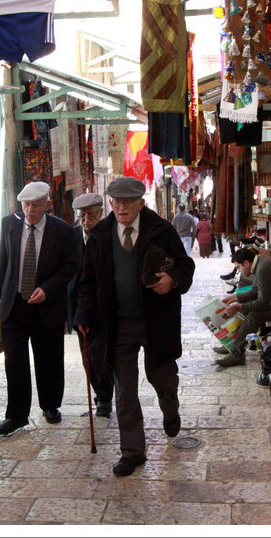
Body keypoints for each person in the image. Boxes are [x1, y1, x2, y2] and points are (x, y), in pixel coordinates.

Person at [75, 176, 195, 477]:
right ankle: (132, 451)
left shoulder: (161, 231)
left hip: (156, 322)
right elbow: (87, 282)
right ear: (110, 204)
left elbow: (185, 265)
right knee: (124, 390)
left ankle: (170, 408)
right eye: (117, 201)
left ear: (142, 203)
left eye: (129, 201)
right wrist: (83, 315)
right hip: (117, 324)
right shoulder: (100, 235)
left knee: (162, 376)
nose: (122, 207)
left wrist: (173, 280)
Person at [0, 181, 78, 436]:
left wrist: (47, 289)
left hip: (45, 306)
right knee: (14, 361)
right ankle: (16, 415)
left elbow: (69, 267)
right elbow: (1, 260)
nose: (30, 210)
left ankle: (50, 406)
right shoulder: (10, 225)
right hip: (14, 304)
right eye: (26, 205)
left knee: (48, 358)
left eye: (36, 205)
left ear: (47, 204)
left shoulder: (62, 230)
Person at [66, 192, 114, 418]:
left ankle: (105, 399)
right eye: (82, 216)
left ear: (101, 214)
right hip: (79, 308)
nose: (86, 221)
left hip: (104, 306)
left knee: (101, 355)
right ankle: (100, 397)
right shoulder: (72, 237)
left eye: (91, 216)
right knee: (87, 357)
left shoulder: (109, 235)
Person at [213, 248, 271, 367]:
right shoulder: (261, 262)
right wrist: (235, 298)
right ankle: (234, 346)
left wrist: (239, 307)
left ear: (246, 263)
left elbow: (262, 303)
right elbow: (255, 291)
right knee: (247, 309)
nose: (239, 271)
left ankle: (237, 355)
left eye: (238, 267)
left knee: (253, 316)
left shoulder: (263, 269)